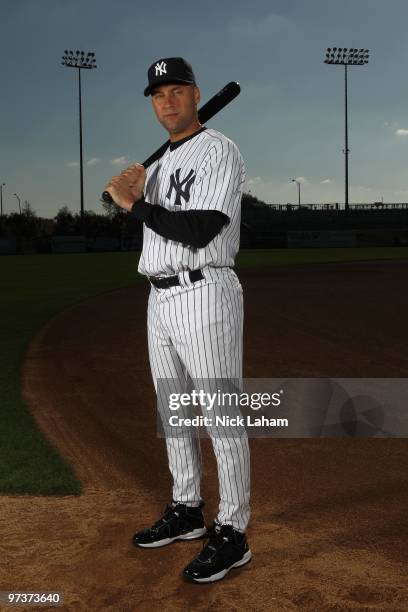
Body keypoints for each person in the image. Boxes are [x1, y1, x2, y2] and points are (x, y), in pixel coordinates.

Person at [104, 57, 251, 583]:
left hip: (204, 290)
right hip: (159, 297)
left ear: (196, 95)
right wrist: (132, 193)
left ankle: (232, 532)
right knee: (177, 412)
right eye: (158, 93)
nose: (167, 100)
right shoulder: (160, 164)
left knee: (220, 415)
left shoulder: (219, 150)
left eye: (177, 90)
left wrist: (133, 205)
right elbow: (143, 226)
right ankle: (187, 509)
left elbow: (201, 230)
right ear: (152, 103)